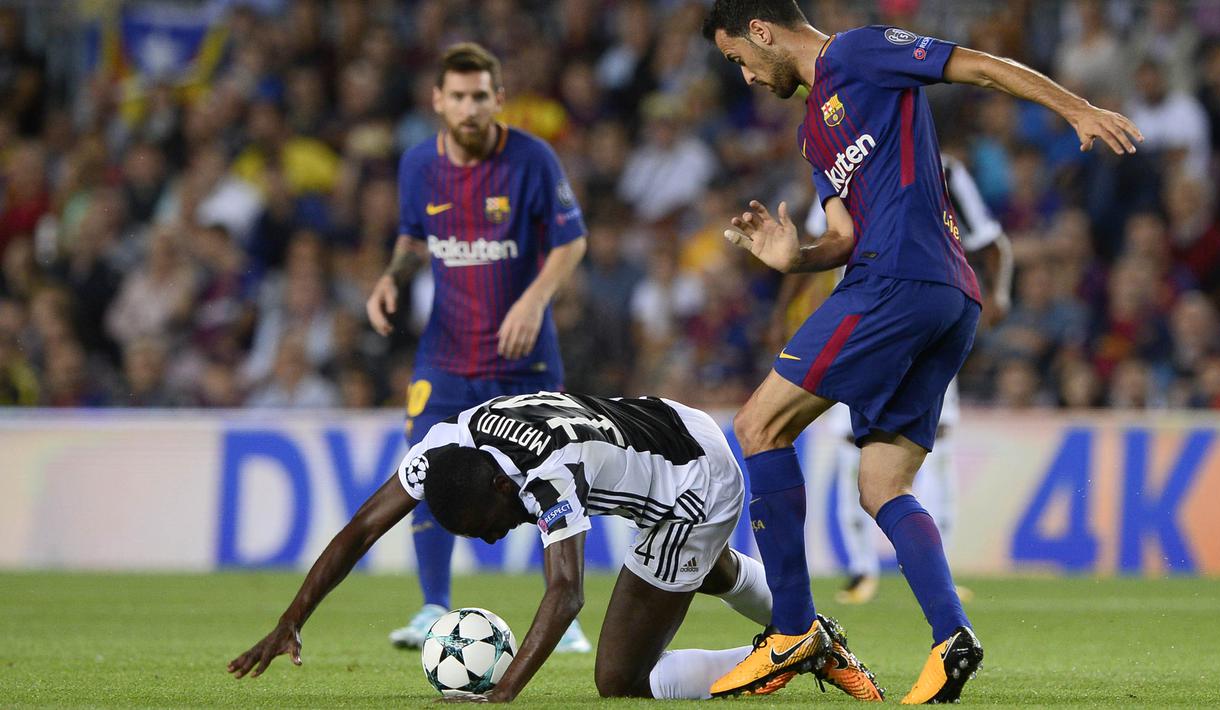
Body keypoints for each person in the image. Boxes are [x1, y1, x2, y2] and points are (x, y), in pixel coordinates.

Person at [701, 1, 1142, 702]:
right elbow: (840, 236)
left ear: (760, 30)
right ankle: (950, 636)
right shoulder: (814, 133)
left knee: (757, 427)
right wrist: (795, 258)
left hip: (897, 279)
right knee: (881, 485)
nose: (746, 77)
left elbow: (982, 69)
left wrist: (1074, 107)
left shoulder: (859, 51)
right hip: (943, 296)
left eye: (737, 58)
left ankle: (790, 630)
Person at [226, 391, 882, 702]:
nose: (493, 534)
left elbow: (565, 593)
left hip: (694, 479)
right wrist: (289, 622)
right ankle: (804, 632)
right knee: (698, 571)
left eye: (492, 521)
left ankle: (792, 651)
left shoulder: (543, 473)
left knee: (620, 679)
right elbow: (361, 529)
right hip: (671, 419)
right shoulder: (443, 445)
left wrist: (501, 693)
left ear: (499, 484)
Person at [364, 43, 590, 653]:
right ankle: (432, 607)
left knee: (550, 480)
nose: (468, 107)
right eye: (457, 96)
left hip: (525, 358)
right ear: (438, 100)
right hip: (446, 355)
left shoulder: (531, 159)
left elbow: (571, 241)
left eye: (479, 96)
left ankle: (563, 615)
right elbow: (413, 238)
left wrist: (535, 299)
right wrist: (391, 277)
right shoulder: (417, 165)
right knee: (425, 470)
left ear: (498, 98)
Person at [804, 154, 1013, 605]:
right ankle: (861, 571)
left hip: (926, 319)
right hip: (861, 322)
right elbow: (818, 243)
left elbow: (991, 240)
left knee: (935, 447)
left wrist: (999, 294)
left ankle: (941, 567)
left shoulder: (949, 172)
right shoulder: (843, 162)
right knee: (848, 450)